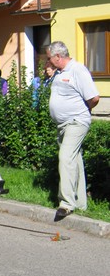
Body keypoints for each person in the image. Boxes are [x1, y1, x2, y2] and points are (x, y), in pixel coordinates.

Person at [47, 41, 99, 221]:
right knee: (74, 161)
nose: (48, 61)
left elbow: (94, 97)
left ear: (58, 56)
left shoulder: (78, 70)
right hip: (63, 124)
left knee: (66, 157)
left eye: (50, 58)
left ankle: (66, 204)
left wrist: (83, 110)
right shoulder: (60, 73)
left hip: (76, 122)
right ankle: (81, 203)